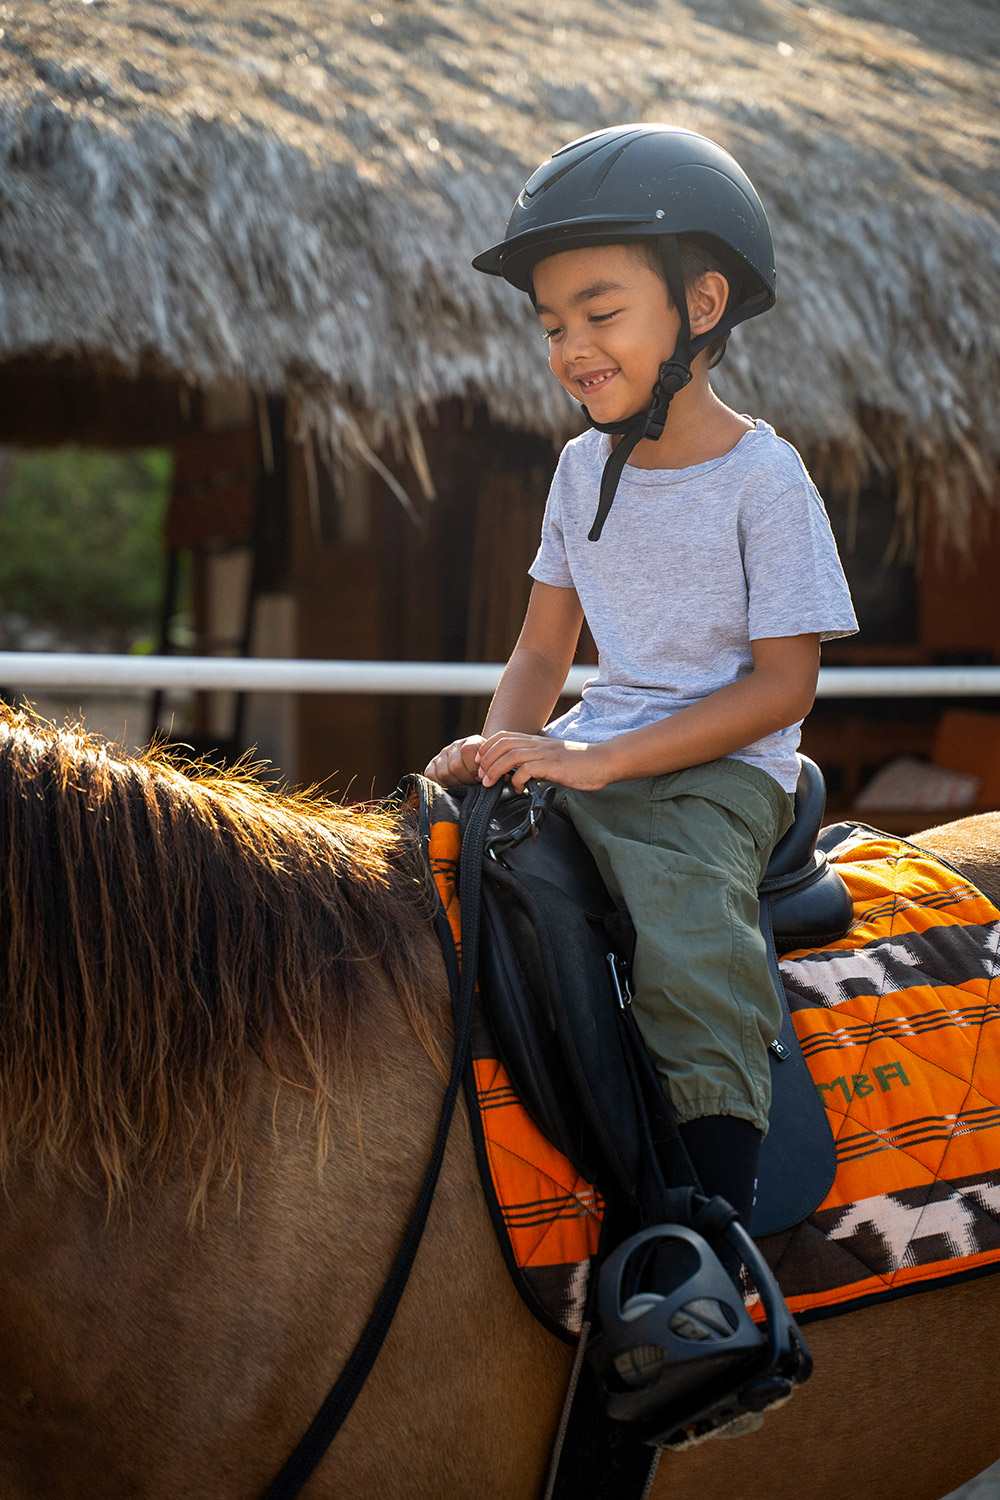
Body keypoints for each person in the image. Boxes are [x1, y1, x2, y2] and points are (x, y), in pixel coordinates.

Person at [424, 124, 857, 1251]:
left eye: (599, 314)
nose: (571, 346)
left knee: (682, 931)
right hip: (595, 743)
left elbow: (783, 687)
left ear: (700, 306)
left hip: (718, 772)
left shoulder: (765, 478)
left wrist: (603, 759)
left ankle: (709, 1231)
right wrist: (496, 748)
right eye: (553, 324)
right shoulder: (577, 469)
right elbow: (539, 651)